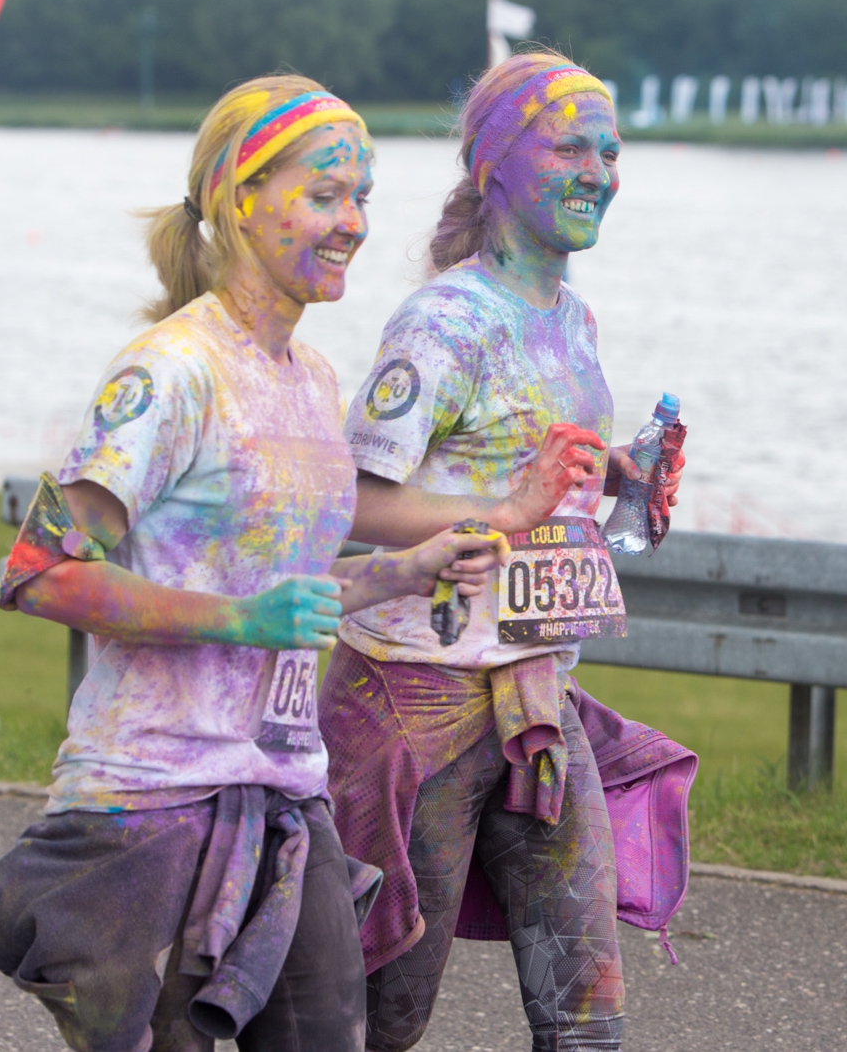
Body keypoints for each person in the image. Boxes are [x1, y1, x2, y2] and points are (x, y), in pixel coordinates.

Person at [0, 75, 504, 1052]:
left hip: (283, 792)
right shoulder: (169, 372)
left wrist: (407, 566)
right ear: (239, 196)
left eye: (364, 197)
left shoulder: (315, 381)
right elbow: (37, 570)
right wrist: (240, 621)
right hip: (147, 794)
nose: (353, 222)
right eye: (325, 193)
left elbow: (283, 597)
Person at [321, 51, 686, 1052]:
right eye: (570, 146)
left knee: (587, 1018)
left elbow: (523, 475)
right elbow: (356, 495)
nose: (598, 172)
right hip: (415, 700)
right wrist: (509, 503)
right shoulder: (443, 319)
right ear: (494, 165)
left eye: (610, 152)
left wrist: (611, 473)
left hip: (533, 689)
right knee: (377, 1014)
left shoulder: (572, 318)